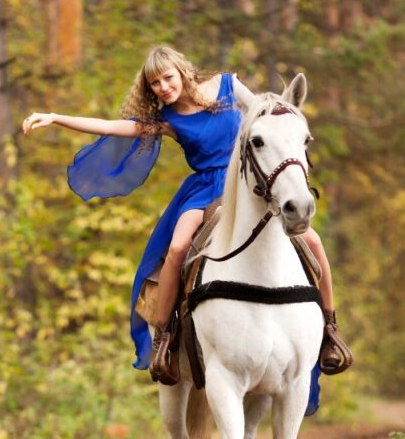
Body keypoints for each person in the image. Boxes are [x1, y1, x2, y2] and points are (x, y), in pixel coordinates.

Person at [22, 46, 351, 388]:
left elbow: (263, 114)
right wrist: (57, 117)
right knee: (178, 247)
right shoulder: (167, 119)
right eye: (154, 83)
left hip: (246, 183)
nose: (163, 87)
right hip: (204, 189)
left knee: (311, 240)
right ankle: (165, 337)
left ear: (181, 71)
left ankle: (330, 328)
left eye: (167, 78)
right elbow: (112, 126)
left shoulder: (227, 85)